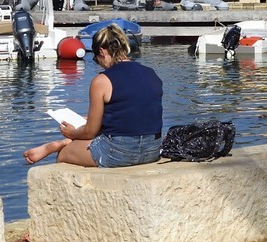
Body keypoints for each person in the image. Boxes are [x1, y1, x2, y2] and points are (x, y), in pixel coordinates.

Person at [23, 25, 163, 168]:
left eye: (96, 59)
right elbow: (134, 113)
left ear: (102, 51)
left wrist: (72, 133)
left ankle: (61, 146)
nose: (99, 65)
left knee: (64, 155)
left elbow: (90, 132)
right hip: (152, 149)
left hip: (119, 152)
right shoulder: (151, 73)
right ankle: (63, 143)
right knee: (99, 132)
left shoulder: (102, 81)